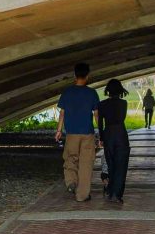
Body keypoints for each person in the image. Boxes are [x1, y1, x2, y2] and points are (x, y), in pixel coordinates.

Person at [54, 62, 101, 202]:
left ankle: (71, 182)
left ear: (74, 75)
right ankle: (82, 195)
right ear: (87, 76)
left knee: (70, 158)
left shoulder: (67, 92)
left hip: (71, 133)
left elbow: (62, 113)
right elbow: (96, 115)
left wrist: (58, 131)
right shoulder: (92, 93)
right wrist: (101, 131)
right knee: (86, 164)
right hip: (87, 133)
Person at [98, 78, 131, 203]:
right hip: (121, 134)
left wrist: (101, 138)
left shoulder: (102, 104)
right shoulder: (124, 103)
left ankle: (110, 191)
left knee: (110, 164)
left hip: (108, 134)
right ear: (120, 90)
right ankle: (117, 194)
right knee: (121, 165)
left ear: (108, 91)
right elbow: (122, 117)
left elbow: (100, 124)